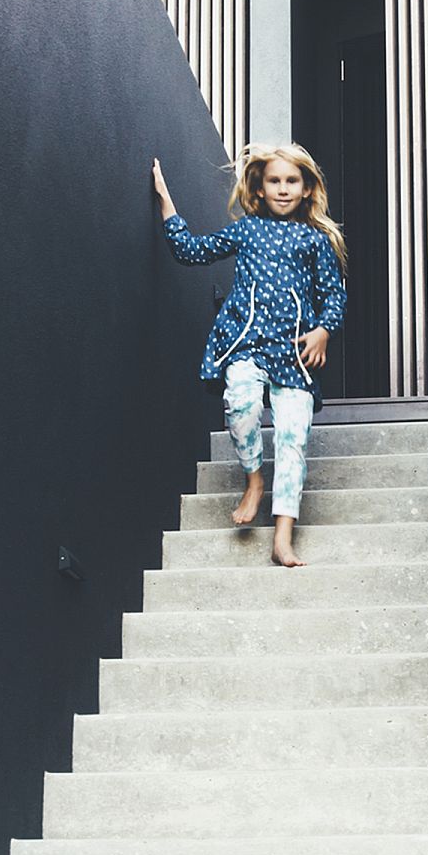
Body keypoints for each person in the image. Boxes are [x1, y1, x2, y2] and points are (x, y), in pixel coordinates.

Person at [152, 142, 347, 568]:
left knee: (294, 439)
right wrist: (167, 204)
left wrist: (322, 332)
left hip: (295, 354)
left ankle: (282, 537)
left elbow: (335, 295)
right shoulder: (247, 230)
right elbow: (192, 251)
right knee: (239, 402)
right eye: (273, 181)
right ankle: (255, 480)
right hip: (247, 343)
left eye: (291, 181)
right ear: (258, 188)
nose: (282, 189)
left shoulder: (315, 239)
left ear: (306, 189)